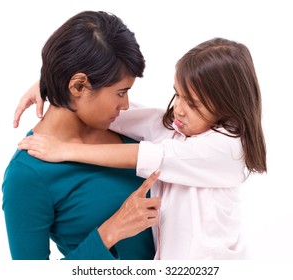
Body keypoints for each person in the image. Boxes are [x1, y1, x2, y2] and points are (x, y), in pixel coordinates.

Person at [17, 38, 267, 259]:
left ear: (227, 108)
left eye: (194, 104)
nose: (179, 109)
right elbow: (115, 110)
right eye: (178, 95)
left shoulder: (229, 147)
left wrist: (66, 150)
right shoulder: (178, 128)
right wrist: (55, 85)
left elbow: (150, 156)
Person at [2, 10, 162, 260]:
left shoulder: (123, 124)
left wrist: (49, 82)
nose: (127, 105)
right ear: (78, 86)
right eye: (121, 92)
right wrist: (110, 232)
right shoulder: (27, 174)